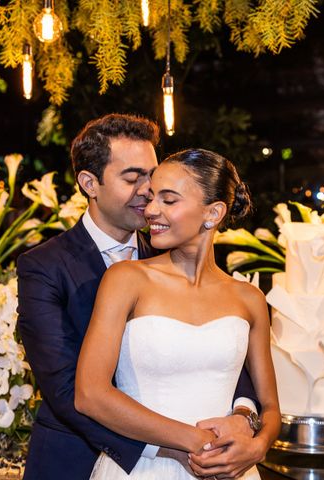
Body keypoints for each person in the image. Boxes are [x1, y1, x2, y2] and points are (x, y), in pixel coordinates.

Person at [17, 115, 265, 480]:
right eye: (133, 178)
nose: (148, 191)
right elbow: (69, 391)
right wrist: (176, 447)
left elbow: (226, 353)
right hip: (76, 459)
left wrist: (243, 418)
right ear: (90, 183)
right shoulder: (44, 266)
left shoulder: (175, 250)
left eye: (153, 175)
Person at [75, 148, 281, 479]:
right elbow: (90, 395)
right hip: (143, 469)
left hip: (231, 469)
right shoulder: (126, 279)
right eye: (152, 198)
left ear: (213, 213)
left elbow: (271, 407)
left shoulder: (250, 298)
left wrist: (257, 447)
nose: (151, 210)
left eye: (169, 201)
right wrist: (192, 440)